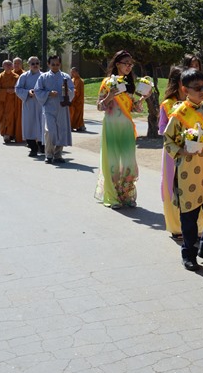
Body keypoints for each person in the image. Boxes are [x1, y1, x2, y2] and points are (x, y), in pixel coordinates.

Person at [163, 68, 203, 271]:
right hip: (188, 171)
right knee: (189, 218)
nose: (202, 91)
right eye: (197, 88)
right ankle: (189, 253)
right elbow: (168, 141)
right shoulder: (178, 114)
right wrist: (182, 151)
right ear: (185, 89)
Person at [94, 50, 148, 208]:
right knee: (112, 161)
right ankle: (112, 197)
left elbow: (134, 109)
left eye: (131, 64)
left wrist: (142, 99)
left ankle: (126, 195)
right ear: (117, 64)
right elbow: (99, 106)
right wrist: (110, 96)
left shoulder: (130, 85)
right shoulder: (107, 83)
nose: (129, 67)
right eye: (126, 64)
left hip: (126, 127)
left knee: (128, 161)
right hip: (111, 126)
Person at [159, 66, 185, 238]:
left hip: (191, 152)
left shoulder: (194, 104)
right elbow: (161, 129)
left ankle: (195, 226)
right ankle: (176, 227)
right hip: (172, 152)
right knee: (171, 187)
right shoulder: (167, 105)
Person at [34, 55, 74, 164]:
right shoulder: (43, 77)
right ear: (48, 64)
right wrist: (48, 93)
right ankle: (49, 154)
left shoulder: (66, 77)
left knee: (61, 130)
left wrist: (67, 92)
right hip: (49, 107)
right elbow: (37, 91)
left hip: (62, 108)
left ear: (60, 64)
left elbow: (72, 90)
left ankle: (58, 154)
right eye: (53, 64)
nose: (55, 66)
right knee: (49, 130)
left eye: (57, 64)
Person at [14, 56, 44, 157]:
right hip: (29, 104)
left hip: (41, 104)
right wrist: (28, 92)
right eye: (33, 63)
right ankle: (33, 148)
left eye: (37, 63)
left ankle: (42, 145)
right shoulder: (24, 76)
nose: (35, 65)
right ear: (29, 65)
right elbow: (18, 89)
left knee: (42, 124)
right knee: (29, 125)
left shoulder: (44, 76)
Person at [0, 60, 22, 144]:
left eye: (10, 64)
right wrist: (6, 91)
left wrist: (15, 90)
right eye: (6, 65)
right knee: (3, 118)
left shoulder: (17, 77)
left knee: (13, 118)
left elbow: (20, 89)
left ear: (12, 66)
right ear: (3, 66)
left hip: (14, 102)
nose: (8, 66)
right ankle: (6, 134)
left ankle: (10, 134)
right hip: (3, 103)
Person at [70, 67, 86, 132]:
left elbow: (77, 92)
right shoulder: (72, 80)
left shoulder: (80, 81)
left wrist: (72, 98)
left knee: (78, 114)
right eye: (71, 72)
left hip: (78, 101)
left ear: (77, 72)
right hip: (73, 100)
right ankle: (73, 125)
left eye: (73, 72)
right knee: (72, 113)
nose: (72, 74)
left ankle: (79, 126)